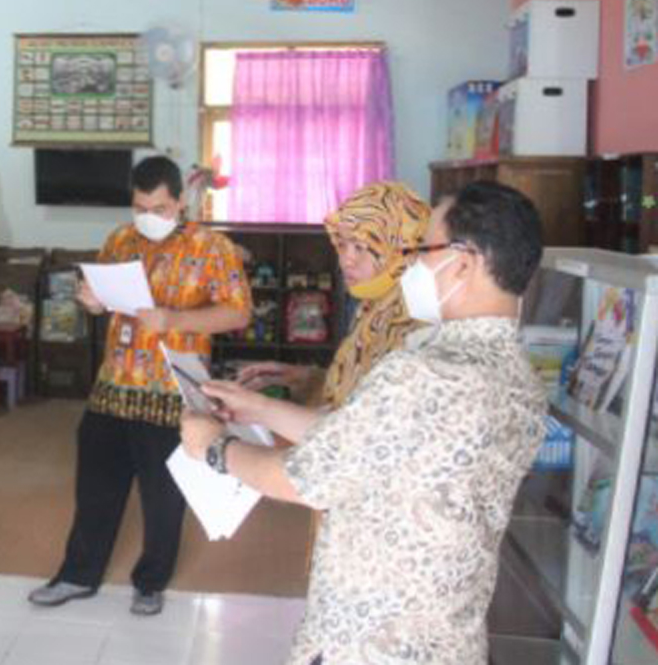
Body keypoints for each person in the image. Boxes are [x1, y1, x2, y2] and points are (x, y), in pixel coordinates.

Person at [182, 180, 547, 665]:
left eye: (422, 250)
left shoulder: (423, 372)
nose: (413, 265)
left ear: (464, 263)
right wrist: (261, 408)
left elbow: (303, 478)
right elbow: (368, 441)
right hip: (448, 636)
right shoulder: (521, 378)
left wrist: (214, 447)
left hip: (368, 639)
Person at [28, 155, 251, 616]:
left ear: (180, 201)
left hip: (172, 393)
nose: (149, 218)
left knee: (163, 496)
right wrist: (92, 303)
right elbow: (103, 300)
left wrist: (175, 319)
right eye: (140, 208)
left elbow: (238, 313)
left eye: (160, 209)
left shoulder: (213, 247)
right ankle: (77, 574)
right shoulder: (119, 240)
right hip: (113, 385)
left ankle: (151, 582)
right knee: (95, 488)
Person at [235, 181, 431, 409]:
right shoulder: (374, 306)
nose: (346, 260)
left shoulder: (415, 325)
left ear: (401, 248)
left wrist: (262, 409)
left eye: (360, 247)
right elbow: (356, 387)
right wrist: (305, 378)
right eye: (342, 245)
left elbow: (367, 419)